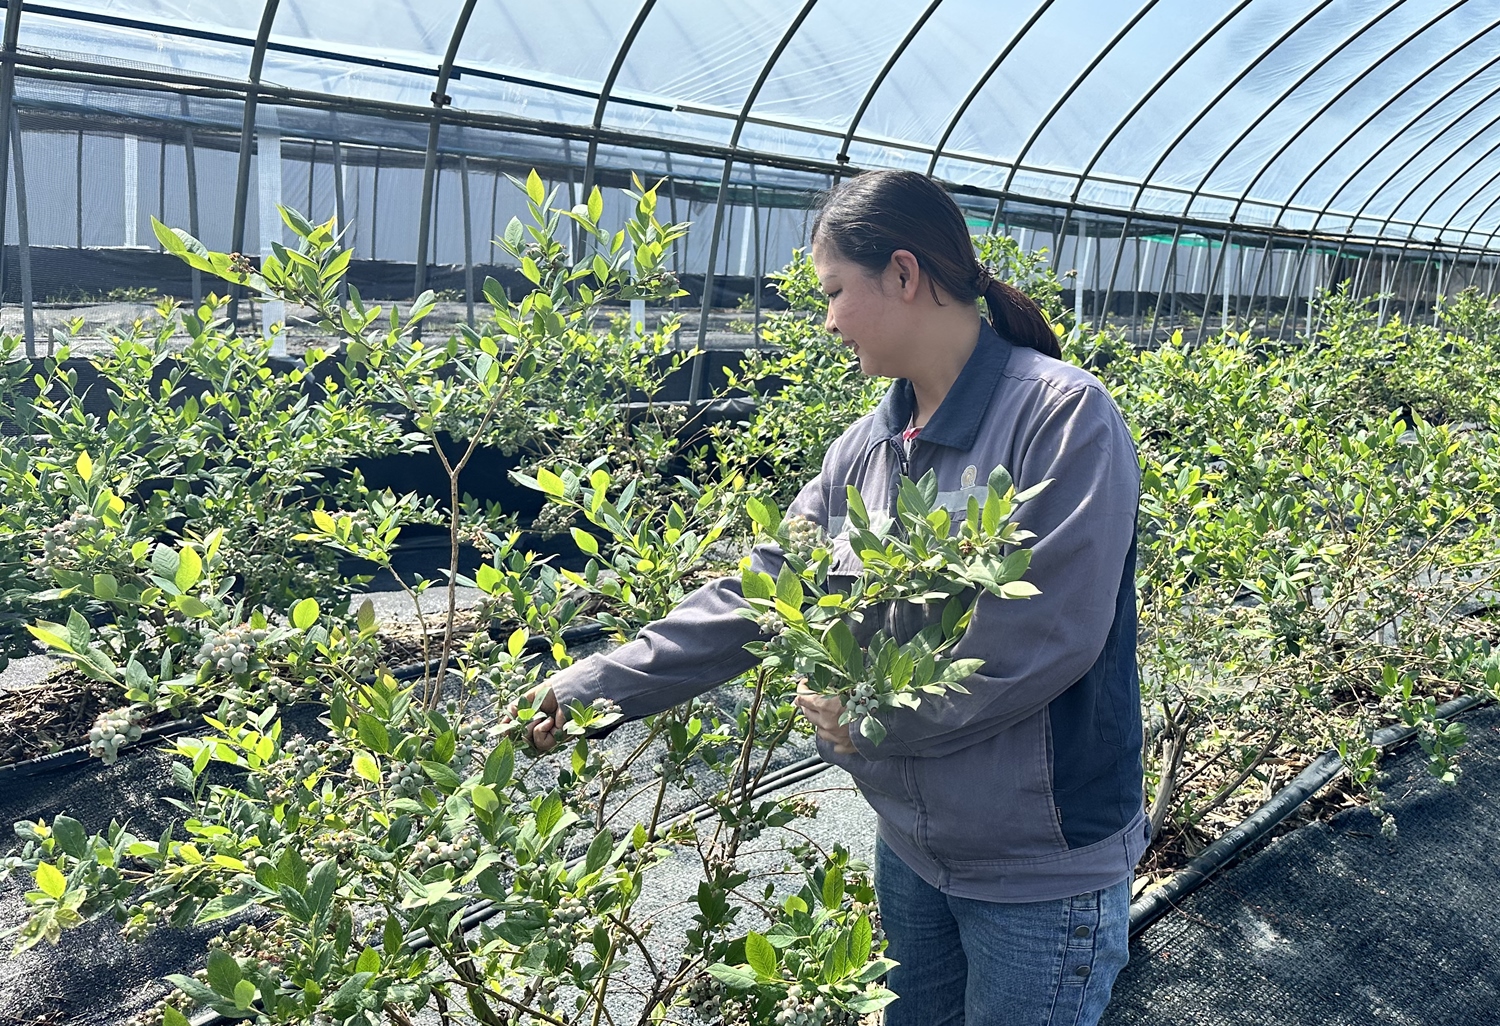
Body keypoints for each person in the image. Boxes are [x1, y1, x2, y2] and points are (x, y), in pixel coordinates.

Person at [526, 169, 1146, 1026]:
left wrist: (872, 718)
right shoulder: (865, 450)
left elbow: (1048, 635)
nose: (826, 320)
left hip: (1038, 866)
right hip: (914, 849)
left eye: (834, 292)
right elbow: (764, 596)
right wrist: (594, 687)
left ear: (903, 274)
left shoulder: (1061, 416)